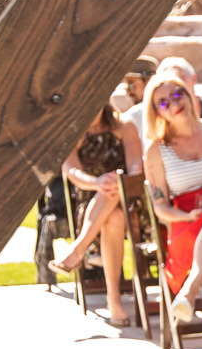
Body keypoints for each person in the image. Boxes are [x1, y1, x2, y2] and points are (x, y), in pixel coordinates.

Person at [141, 66, 202, 331]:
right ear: (156, 112)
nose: (174, 104)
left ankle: (190, 289)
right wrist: (186, 216)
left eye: (177, 94)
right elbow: (160, 207)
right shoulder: (155, 151)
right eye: (163, 102)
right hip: (189, 223)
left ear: (188, 93)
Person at [49, 105, 137, 326]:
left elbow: (136, 165)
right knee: (112, 216)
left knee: (114, 196)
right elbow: (72, 171)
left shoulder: (125, 126)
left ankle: (78, 250)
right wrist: (97, 183)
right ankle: (113, 298)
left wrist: (120, 182)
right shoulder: (73, 132)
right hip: (90, 201)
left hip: (129, 199)